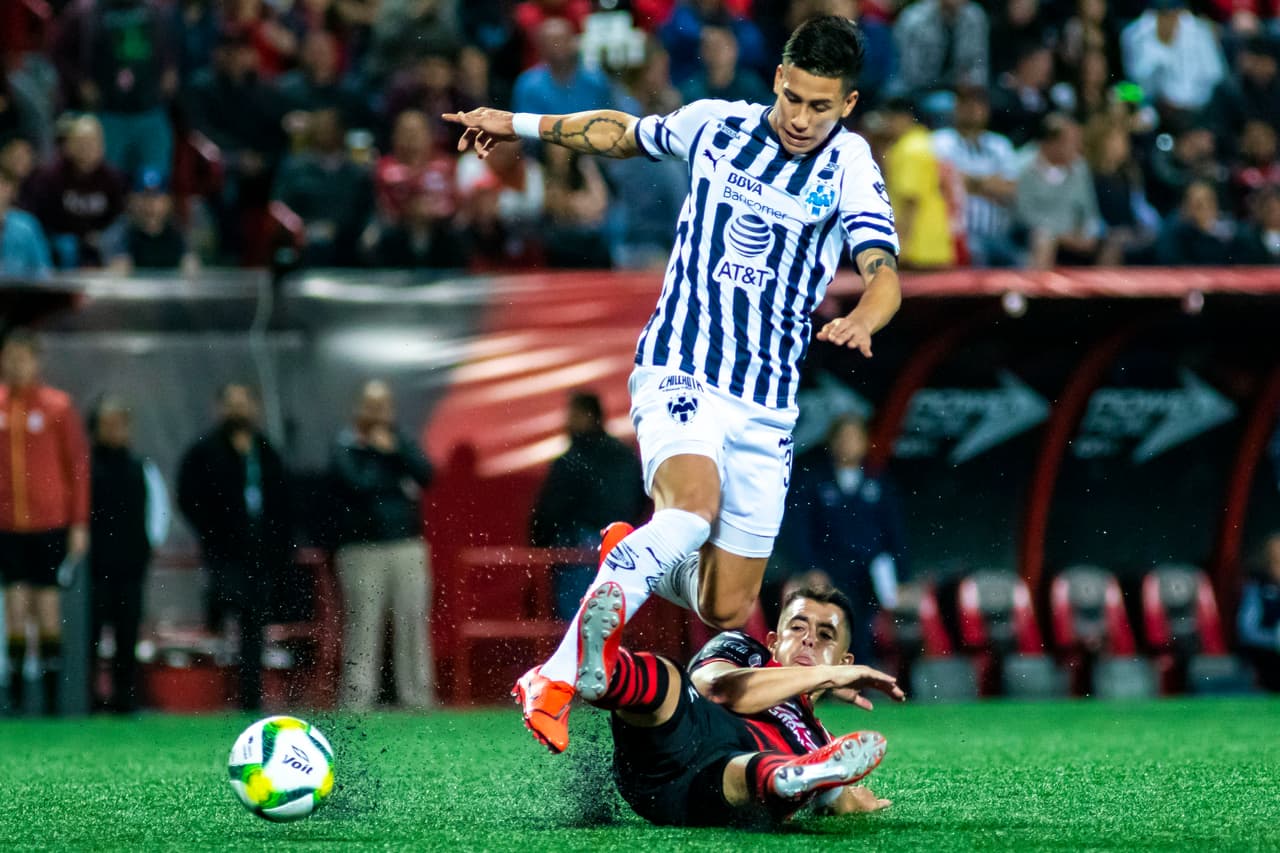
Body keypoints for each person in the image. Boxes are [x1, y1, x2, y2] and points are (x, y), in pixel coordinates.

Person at [445, 14, 904, 753]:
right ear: (779, 79)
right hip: (680, 367)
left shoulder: (850, 165)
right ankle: (554, 676)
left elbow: (884, 273)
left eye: (823, 106)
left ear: (847, 105)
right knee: (691, 512)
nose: (802, 118)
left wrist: (866, 318)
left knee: (726, 605)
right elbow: (618, 131)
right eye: (795, 97)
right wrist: (518, 123)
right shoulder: (715, 125)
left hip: (765, 402)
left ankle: (637, 551)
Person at [575, 576, 904, 825]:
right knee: (671, 678)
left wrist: (859, 799)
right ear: (773, 643)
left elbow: (844, 800)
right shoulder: (746, 652)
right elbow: (714, 687)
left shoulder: (822, 742)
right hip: (669, 747)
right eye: (797, 627)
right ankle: (606, 674)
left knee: (753, 767)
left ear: (845, 662)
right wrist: (825, 676)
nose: (808, 639)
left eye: (825, 635)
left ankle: (787, 778)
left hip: (708, 791)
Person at [177, 383, 291, 711]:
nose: (238, 410)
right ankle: (211, 698)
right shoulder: (203, 452)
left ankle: (249, 700)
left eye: (244, 403)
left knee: (255, 628)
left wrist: (275, 543)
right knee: (222, 616)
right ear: (219, 408)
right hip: (223, 554)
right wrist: (213, 532)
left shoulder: (266, 450)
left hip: (260, 555)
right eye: (232, 404)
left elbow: (284, 502)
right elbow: (189, 498)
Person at [329, 380, 436, 710]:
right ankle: (358, 699)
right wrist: (378, 451)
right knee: (364, 623)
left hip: (406, 544)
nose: (377, 414)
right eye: (371, 406)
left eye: (383, 406)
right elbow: (359, 484)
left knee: (412, 621)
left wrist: (395, 450)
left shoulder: (402, 442)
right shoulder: (345, 446)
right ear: (357, 409)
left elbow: (427, 475)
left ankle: (417, 696)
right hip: (362, 549)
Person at [0, 330, 90, 715]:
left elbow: (78, 467)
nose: (16, 365)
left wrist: (79, 523)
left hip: (50, 523)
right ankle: (18, 700)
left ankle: (53, 704)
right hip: (7, 526)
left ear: (37, 361)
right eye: (10, 357)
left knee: (47, 609)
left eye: (23, 358)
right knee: (15, 609)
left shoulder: (57, 406)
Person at [779, 414, 906, 666]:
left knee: (864, 628)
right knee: (829, 628)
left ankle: (857, 683)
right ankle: (825, 685)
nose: (848, 444)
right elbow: (800, 530)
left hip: (868, 573)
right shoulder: (814, 482)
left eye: (854, 437)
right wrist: (810, 569)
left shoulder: (877, 483)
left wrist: (902, 577)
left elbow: (896, 533)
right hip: (830, 572)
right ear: (832, 442)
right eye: (843, 437)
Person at [87, 397, 166, 713]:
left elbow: (159, 510)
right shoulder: (85, 467)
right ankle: (88, 699)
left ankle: (124, 699)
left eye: (121, 423)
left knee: (127, 634)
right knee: (89, 636)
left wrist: (149, 546)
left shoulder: (142, 467)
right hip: (94, 568)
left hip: (131, 567)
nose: (116, 430)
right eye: (108, 424)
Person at [529, 390, 645, 549]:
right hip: (623, 540)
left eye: (573, 415)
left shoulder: (573, 460)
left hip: (579, 546)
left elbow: (554, 505)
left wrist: (539, 537)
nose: (568, 422)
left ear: (588, 415)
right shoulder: (626, 455)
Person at [931, 86, 1021, 268]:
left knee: (1020, 262)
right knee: (977, 252)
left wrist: (968, 181)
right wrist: (990, 182)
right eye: (966, 104)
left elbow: (1012, 189)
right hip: (957, 234)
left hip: (998, 235)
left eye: (978, 103)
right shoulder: (940, 141)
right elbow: (946, 182)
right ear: (956, 108)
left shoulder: (1000, 144)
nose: (972, 109)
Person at [1238, 533, 1280, 691]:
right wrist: (1275, 639)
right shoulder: (1257, 589)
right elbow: (1247, 631)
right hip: (1268, 659)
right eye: (1277, 562)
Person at [0, 167, 52, 278]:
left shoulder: (27, 224)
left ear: (11, 189)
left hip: (21, 290)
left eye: (3, 184)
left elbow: (43, 268)